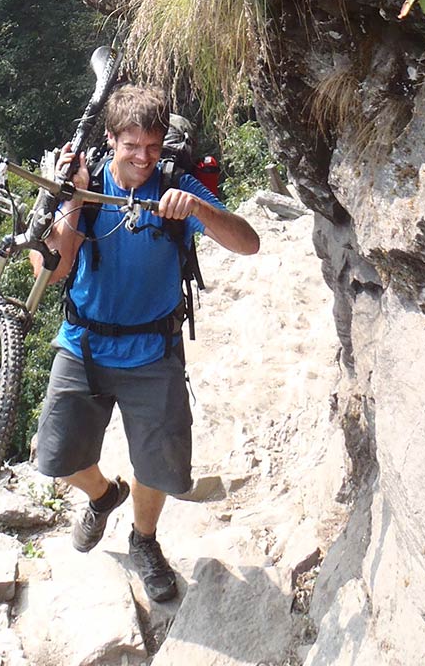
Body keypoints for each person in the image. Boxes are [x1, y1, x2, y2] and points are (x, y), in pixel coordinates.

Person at [30, 84, 260, 602]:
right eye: (131, 146)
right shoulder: (84, 185)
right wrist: (67, 197)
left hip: (153, 351)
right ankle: (103, 495)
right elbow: (53, 268)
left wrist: (200, 211)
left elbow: (249, 243)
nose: (142, 158)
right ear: (110, 139)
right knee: (58, 456)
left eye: (153, 147)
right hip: (83, 344)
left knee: (159, 466)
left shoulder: (175, 185)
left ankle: (145, 540)